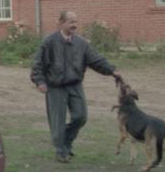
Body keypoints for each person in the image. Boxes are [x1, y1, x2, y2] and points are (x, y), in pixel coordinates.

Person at [30, 10, 121, 163]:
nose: (74, 25)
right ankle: (61, 151)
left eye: (76, 22)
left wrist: (112, 70)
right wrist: (40, 81)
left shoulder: (81, 43)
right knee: (57, 122)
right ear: (61, 23)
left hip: (75, 85)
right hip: (55, 86)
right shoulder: (49, 42)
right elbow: (38, 65)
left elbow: (96, 60)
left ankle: (66, 141)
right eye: (71, 22)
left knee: (81, 117)